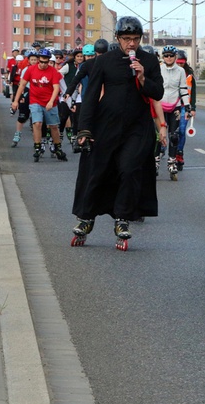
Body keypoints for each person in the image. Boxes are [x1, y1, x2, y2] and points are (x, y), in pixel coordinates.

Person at [70, 16, 164, 251]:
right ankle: (86, 218)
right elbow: (90, 97)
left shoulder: (150, 61)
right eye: (126, 39)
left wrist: (143, 77)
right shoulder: (105, 61)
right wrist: (84, 129)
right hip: (106, 125)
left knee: (129, 168)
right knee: (97, 170)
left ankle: (122, 219)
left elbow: (159, 93)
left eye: (135, 39)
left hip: (137, 126)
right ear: (118, 38)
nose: (131, 44)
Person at [10, 48, 68, 162]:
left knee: (54, 126)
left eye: (46, 62)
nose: (43, 64)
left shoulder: (53, 72)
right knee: (37, 124)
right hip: (35, 101)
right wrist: (15, 101)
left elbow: (56, 88)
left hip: (50, 102)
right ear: (38, 60)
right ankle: (37, 147)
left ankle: (58, 148)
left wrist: (51, 101)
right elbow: (22, 85)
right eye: (41, 61)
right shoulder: (30, 70)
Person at [158, 45, 189, 180]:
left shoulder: (181, 71)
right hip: (160, 105)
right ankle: (156, 161)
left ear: (175, 56)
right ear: (163, 57)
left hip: (175, 106)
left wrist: (187, 105)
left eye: (171, 55)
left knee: (174, 135)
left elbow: (183, 88)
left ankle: (172, 161)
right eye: (166, 56)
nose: (169, 58)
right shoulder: (159, 69)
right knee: (159, 135)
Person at [175, 50, 196, 170]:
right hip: (172, 105)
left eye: (182, 63)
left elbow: (193, 93)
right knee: (172, 131)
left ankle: (179, 153)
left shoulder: (189, 76)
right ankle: (165, 150)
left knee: (182, 130)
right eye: (178, 63)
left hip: (184, 107)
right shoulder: (169, 72)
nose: (180, 65)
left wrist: (193, 108)